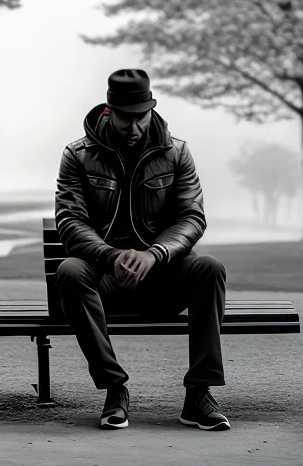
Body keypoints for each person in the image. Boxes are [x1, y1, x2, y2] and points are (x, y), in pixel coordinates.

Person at [53, 69, 230, 431]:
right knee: (70, 270)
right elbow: (70, 222)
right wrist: (111, 255)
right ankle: (114, 389)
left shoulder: (177, 152)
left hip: (163, 279)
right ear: (108, 111)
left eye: (140, 117)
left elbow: (192, 217)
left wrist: (154, 254)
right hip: (105, 285)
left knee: (209, 267)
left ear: (152, 109)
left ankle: (199, 393)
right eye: (124, 118)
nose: (133, 127)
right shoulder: (77, 155)